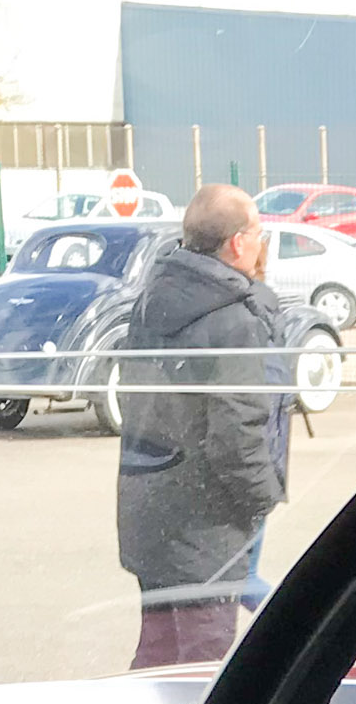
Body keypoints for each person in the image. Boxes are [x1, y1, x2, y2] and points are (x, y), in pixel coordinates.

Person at [115, 183, 290, 668]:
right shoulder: (237, 320)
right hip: (205, 518)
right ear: (237, 243)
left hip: (149, 499)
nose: (262, 242)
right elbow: (238, 433)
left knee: (158, 652)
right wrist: (265, 496)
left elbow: (138, 399)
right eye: (258, 231)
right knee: (203, 660)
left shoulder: (151, 300)